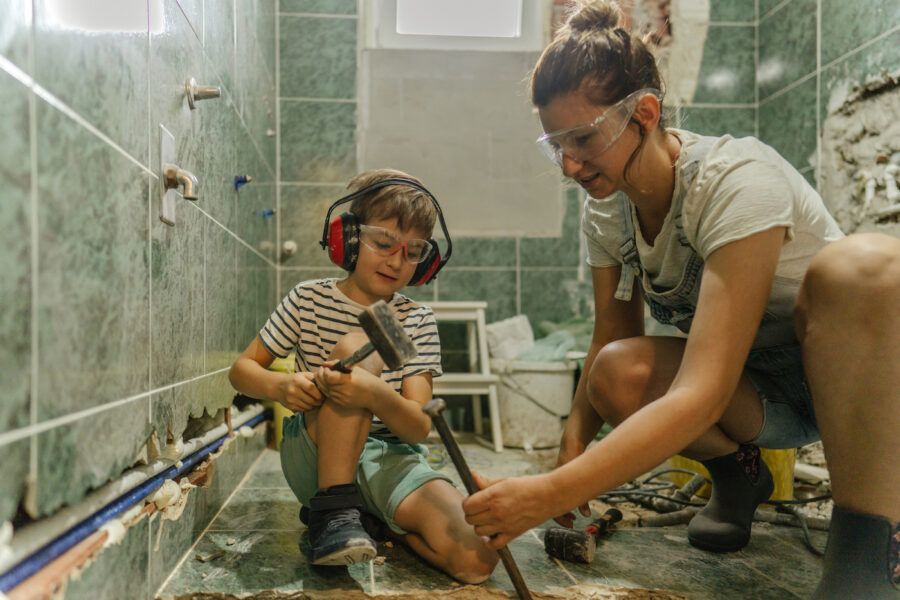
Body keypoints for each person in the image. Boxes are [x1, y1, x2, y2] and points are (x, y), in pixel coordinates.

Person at [461, 2, 899, 598]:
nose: (568, 164)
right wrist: (565, 464)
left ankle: (869, 542)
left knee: (865, 266)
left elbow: (703, 390)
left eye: (583, 138)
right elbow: (607, 341)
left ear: (643, 114)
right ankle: (738, 477)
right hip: (758, 394)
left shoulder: (736, 181)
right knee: (617, 368)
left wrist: (547, 496)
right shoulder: (607, 206)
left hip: (851, 392)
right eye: (555, 144)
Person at [229, 169, 497, 582]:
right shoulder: (307, 299)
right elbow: (241, 371)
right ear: (348, 238)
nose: (395, 260)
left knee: (478, 559)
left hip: (390, 457)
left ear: (426, 262)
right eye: (383, 243)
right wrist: (280, 386)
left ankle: (380, 524)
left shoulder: (417, 319)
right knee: (356, 345)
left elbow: (415, 427)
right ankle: (334, 511)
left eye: (412, 252)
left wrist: (372, 393)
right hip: (315, 453)